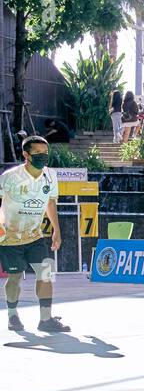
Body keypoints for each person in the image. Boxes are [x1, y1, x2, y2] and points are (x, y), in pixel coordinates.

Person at [1, 136, 68, 333]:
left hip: (35, 236)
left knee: (45, 274)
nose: (42, 157)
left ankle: (45, 320)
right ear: (26, 155)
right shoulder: (10, 176)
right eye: (37, 153)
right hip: (9, 237)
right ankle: (13, 316)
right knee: (14, 277)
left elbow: (50, 202)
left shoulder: (51, 176)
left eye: (45, 153)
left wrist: (56, 230)